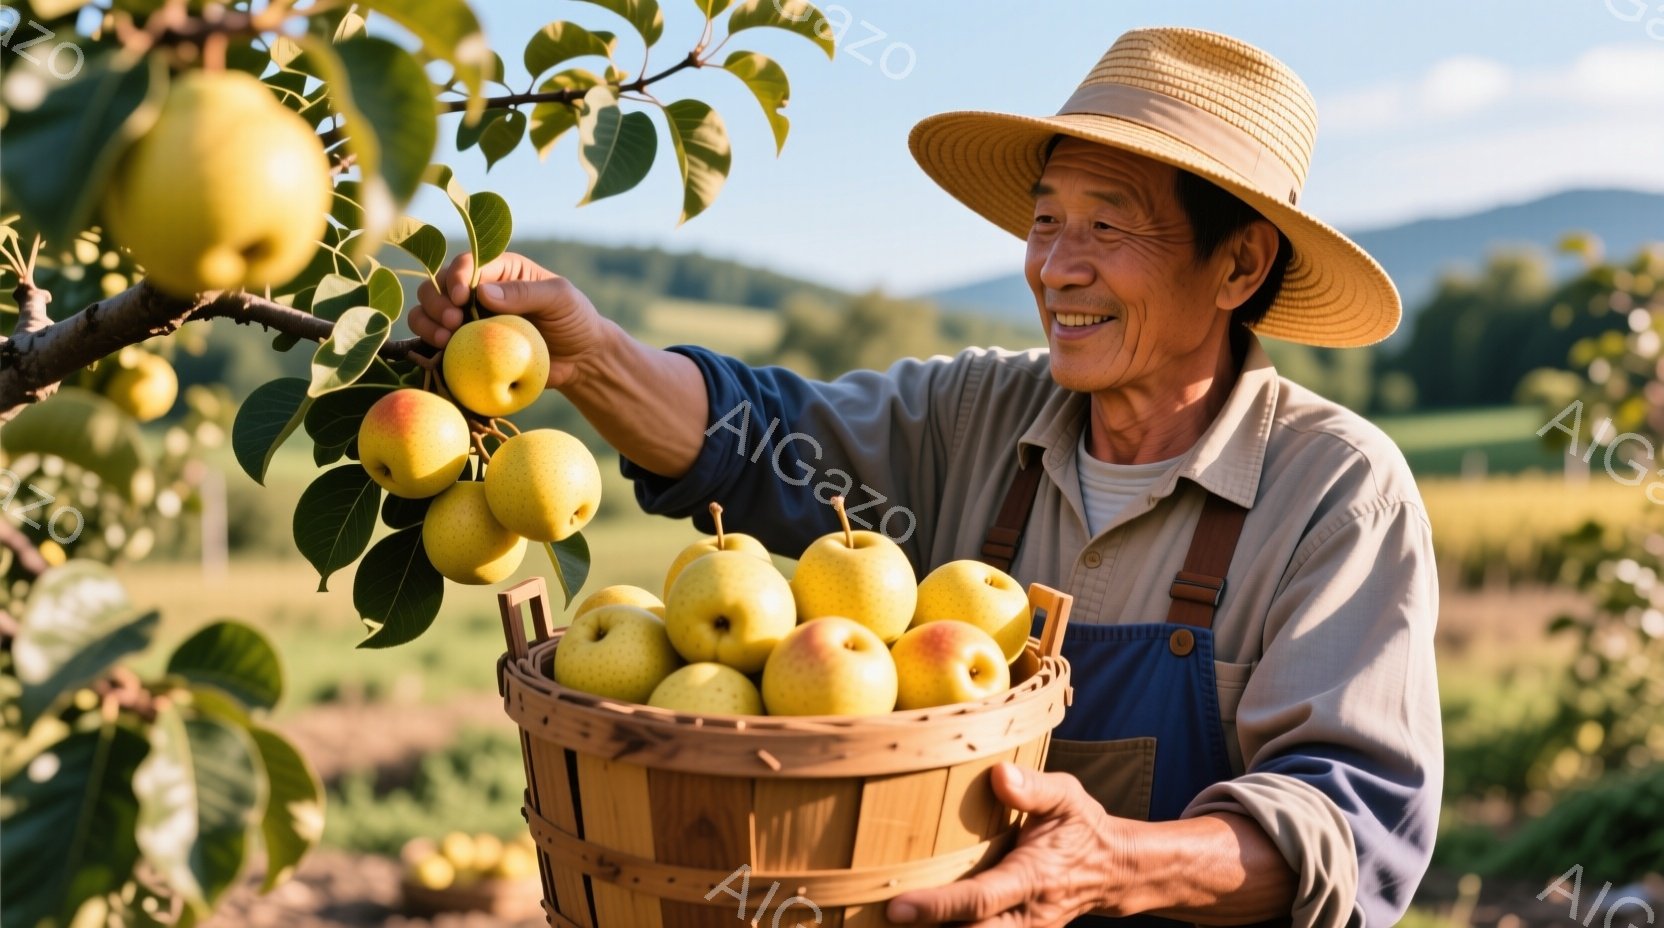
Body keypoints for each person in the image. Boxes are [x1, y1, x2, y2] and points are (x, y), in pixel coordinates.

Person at [408, 27, 1440, 928]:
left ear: (1238, 265)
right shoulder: (971, 414)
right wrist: (591, 357)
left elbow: (1347, 819)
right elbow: (752, 438)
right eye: (1045, 219)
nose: (1055, 267)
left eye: (1107, 225)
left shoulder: (1333, 490)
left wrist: (1114, 865)